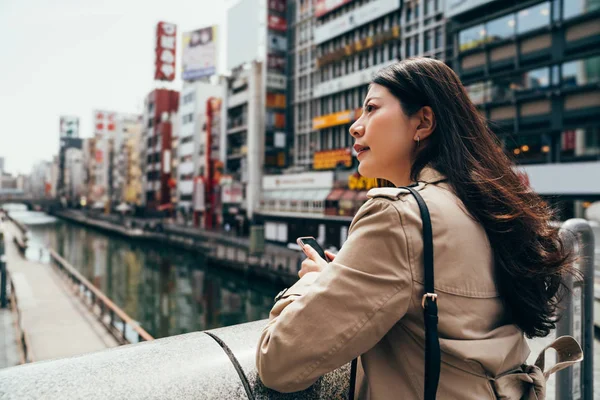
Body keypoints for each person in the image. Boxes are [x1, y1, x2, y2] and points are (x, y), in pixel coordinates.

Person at [255, 58, 579, 399]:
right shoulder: (485, 206)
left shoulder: (398, 215)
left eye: (371, 108)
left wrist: (313, 283)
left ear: (423, 122)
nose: (356, 126)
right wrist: (343, 278)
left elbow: (278, 363)